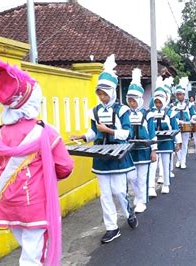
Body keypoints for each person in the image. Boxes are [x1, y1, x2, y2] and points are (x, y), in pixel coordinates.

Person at [0, 59, 74, 265]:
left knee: (27, 250)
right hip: (36, 205)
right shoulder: (45, 132)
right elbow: (66, 167)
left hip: (8, 204)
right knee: (33, 257)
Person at [70, 55, 138, 243]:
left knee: (118, 190)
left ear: (113, 92)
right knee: (105, 194)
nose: (102, 97)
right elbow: (93, 132)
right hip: (100, 155)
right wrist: (82, 136)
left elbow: (127, 133)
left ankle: (128, 212)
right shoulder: (95, 111)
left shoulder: (123, 110)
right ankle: (112, 227)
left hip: (118, 155)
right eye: (99, 93)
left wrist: (109, 130)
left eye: (105, 93)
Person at [126, 68, 158, 212]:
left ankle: (142, 201)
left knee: (142, 177)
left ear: (139, 100)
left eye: (134, 100)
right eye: (130, 100)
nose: (132, 103)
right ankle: (138, 196)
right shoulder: (124, 114)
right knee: (131, 176)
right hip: (130, 151)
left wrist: (153, 151)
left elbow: (152, 134)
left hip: (144, 150)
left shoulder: (148, 114)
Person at [148, 78, 182, 194]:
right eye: (156, 102)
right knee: (152, 165)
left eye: (159, 102)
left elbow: (175, 128)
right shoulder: (150, 113)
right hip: (154, 143)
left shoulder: (170, 113)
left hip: (167, 142)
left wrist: (178, 142)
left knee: (166, 164)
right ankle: (151, 187)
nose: (157, 104)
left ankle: (166, 184)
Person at [172, 77, 194, 169]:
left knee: (184, 144)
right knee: (177, 143)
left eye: (180, 94)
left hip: (186, 126)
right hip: (177, 127)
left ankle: (183, 161)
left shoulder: (189, 104)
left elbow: (193, 115)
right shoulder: (173, 105)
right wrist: (177, 121)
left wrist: (193, 119)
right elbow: (171, 116)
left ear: (184, 95)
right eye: (177, 94)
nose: (179, 96)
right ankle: (179, 159)